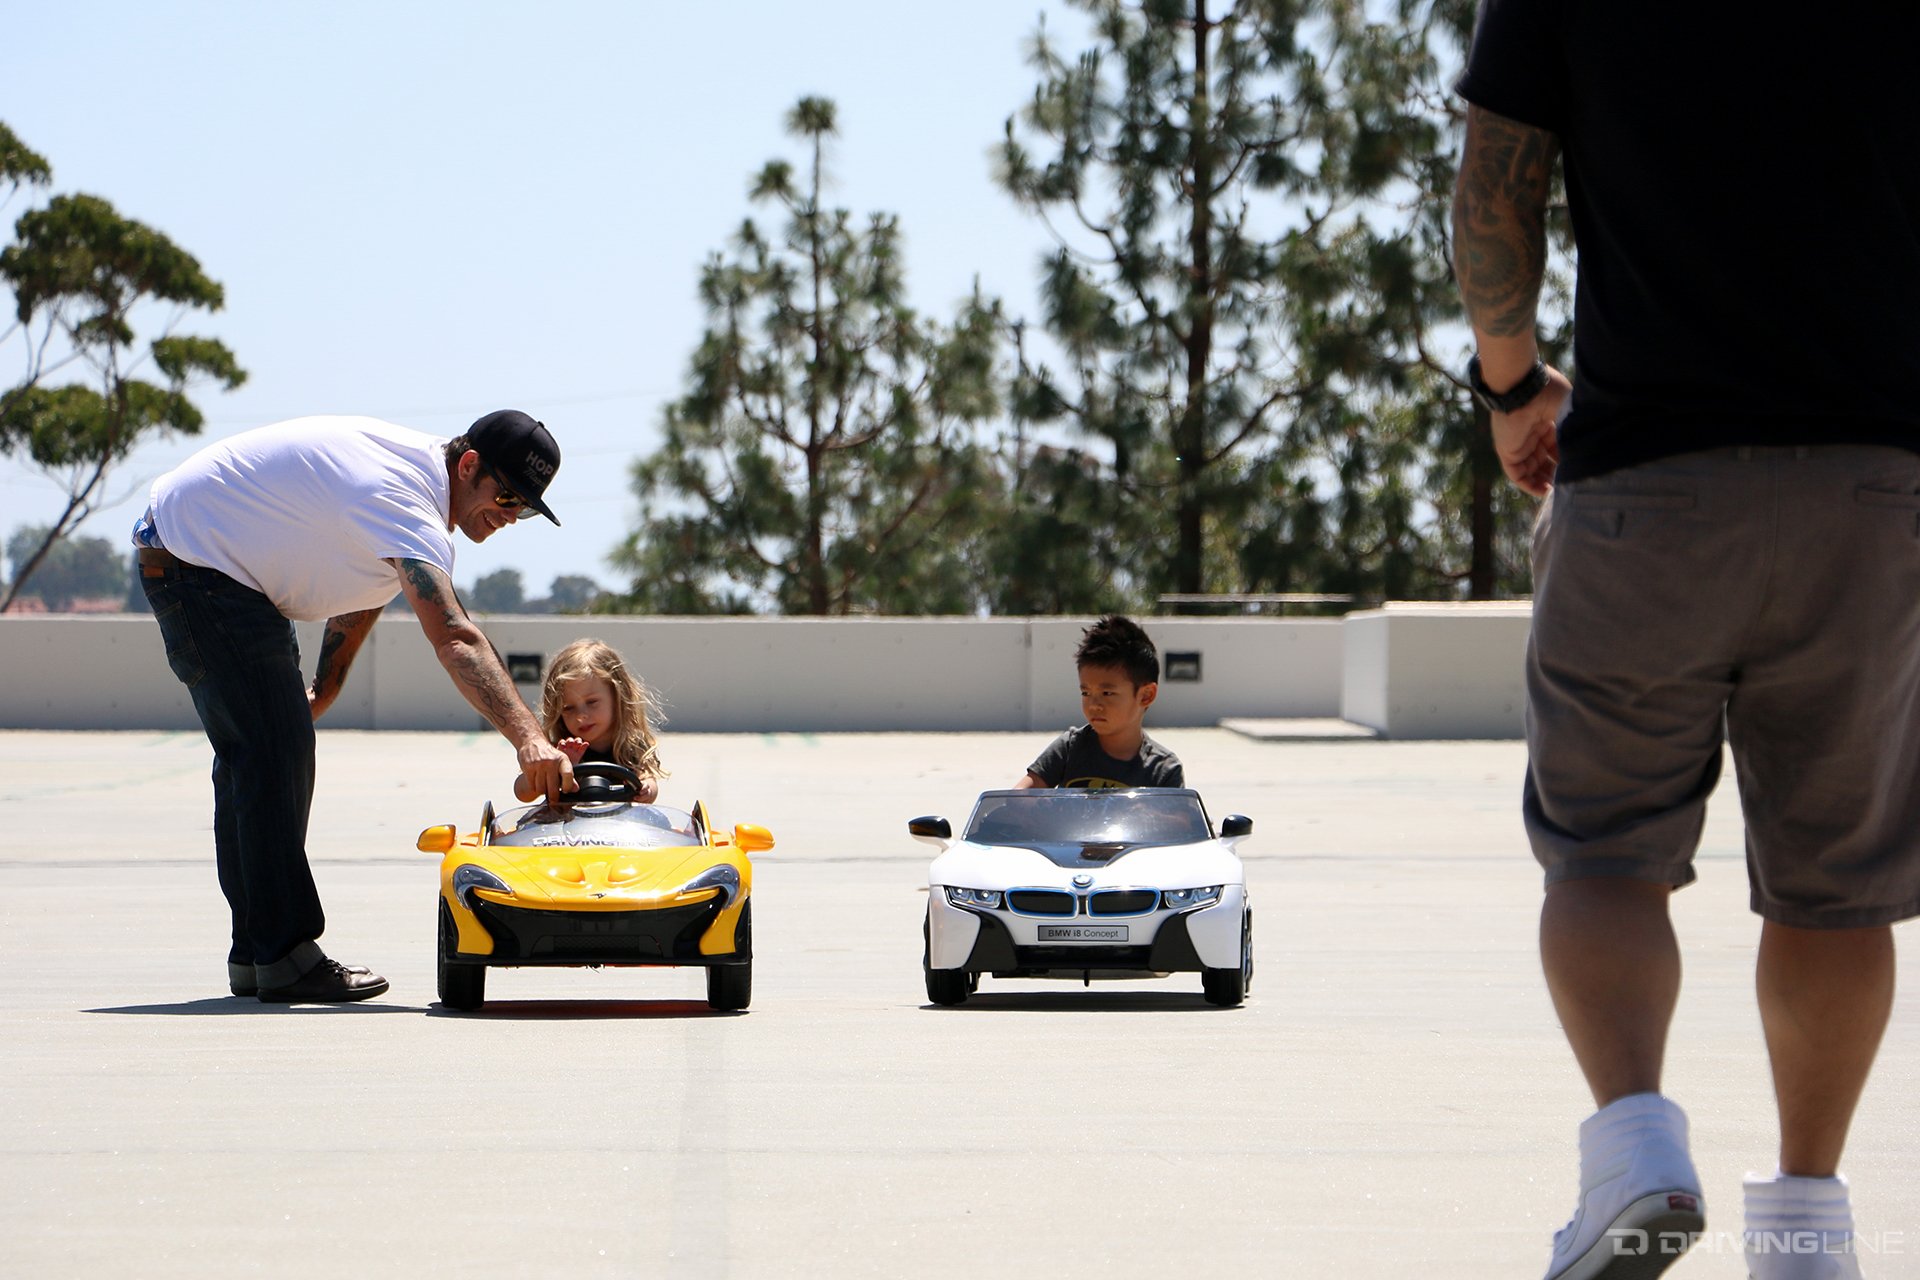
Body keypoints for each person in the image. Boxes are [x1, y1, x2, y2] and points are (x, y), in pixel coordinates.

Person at [1453, 5, 1920, 1278]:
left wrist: (1510, 389)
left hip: (1646, 478)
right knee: (1836, 887)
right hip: (1869, 483)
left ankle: (1636, 1147)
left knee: (1604, 853)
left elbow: (1498, 192)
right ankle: (1812, 1226)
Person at [135, 410, 576, 1004]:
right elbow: (456, 639)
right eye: (504, 494)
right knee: (270, 753)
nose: (507, 515)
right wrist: (530, 739)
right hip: (202, 561)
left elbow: (365, 582)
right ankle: (287, 956)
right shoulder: (404, 497)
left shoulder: (414, 496)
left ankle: (258, 952)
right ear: (468, 465)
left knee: (257, 755)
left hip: (216, 565)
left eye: (524, 507)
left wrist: (329, 683)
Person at [1017, 615, 1183, 790]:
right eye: (1086, 692)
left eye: (1107, 693)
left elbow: (1176, 817)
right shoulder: (1070, 748)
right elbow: (1020, 797)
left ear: (1146, 696)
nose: (1093, 704)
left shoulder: (1164, 769)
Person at [513, 638, 667, 804]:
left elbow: (649, 779)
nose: (581, 716)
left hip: (620, 826)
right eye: (568, 708)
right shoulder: (557, 749)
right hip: (568, 827)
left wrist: (647, 789)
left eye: (591, 702)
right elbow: (521, 793)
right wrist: (558, 768)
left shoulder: (633, 746)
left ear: (618, 697)